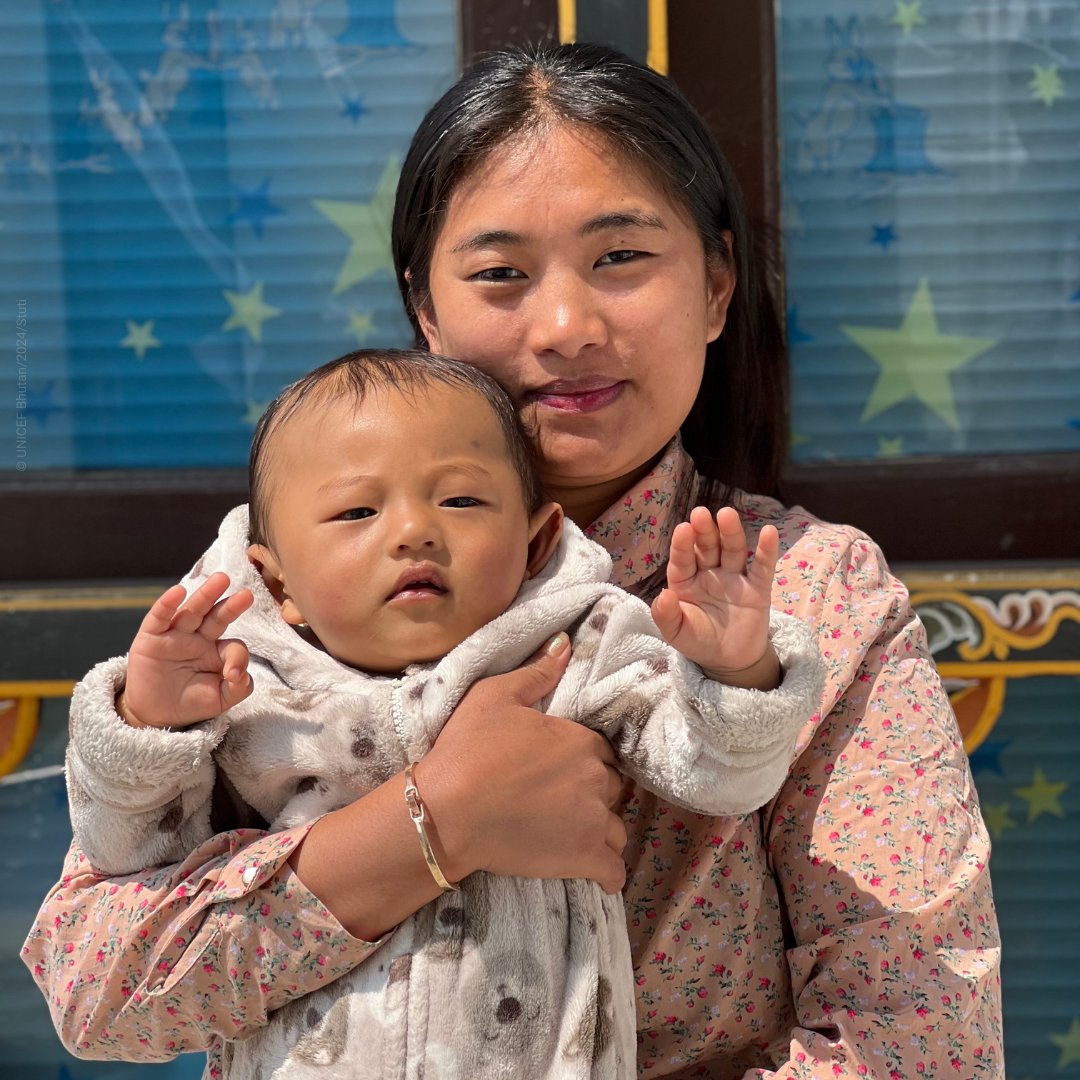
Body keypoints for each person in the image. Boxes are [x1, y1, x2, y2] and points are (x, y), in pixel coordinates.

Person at [23, 42, 1003, 1079]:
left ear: (716, 287)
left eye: (621, 258)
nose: (567, 325)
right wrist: (431, 825)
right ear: (426, 310)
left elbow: (920, 1039)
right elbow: (97, 990)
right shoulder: (286, 583)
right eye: (500, 274)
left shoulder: (812, 594)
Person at [64, 347, 823, 1079]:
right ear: (278, 580)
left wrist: (732, 670)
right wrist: (151, 724)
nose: (414, 531)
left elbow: (722, 778)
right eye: (356, 510)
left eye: (460, 500)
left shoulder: (580, 645)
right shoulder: (242, 679)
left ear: (537, 543)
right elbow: (126, 855)